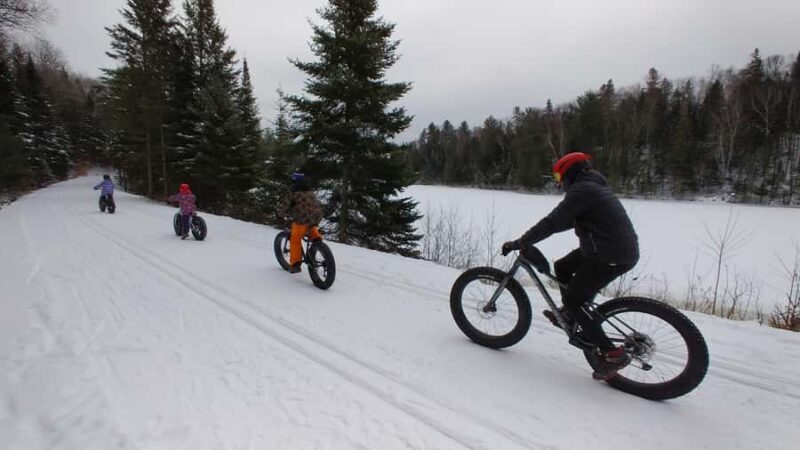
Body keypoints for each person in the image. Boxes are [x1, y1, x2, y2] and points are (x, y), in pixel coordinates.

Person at [501, 152, 640, 380]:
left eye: (558, 176)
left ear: (569, 171)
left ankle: (611, 353)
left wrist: (522, 241)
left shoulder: (583, 190)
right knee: (563, 267)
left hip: (609, 253)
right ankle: (571, 316)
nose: (558, 182)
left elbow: (553, 221)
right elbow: (567, 220)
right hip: (607, 248)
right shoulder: (592, 187)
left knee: (574, 300)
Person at [284, 172, 323, 273]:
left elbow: (285, 205)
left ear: (294, 180)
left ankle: (295, 264)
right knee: (309, 225)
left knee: (295, 239)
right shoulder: (310, 189)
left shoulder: (293, 190)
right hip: (316, 216)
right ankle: (317, 239)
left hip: (301, 219)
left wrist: (280, 214)